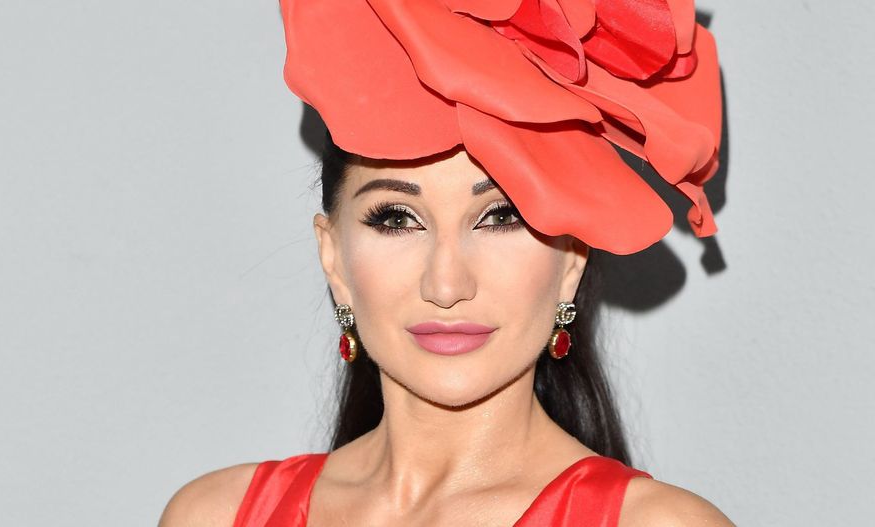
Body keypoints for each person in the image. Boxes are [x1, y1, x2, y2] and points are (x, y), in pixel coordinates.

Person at [160, 0, 735, 525]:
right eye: (396, 219)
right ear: (333, 259)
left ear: (571, 259)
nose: (446, 284)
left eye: (500, 217)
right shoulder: (211, 516)